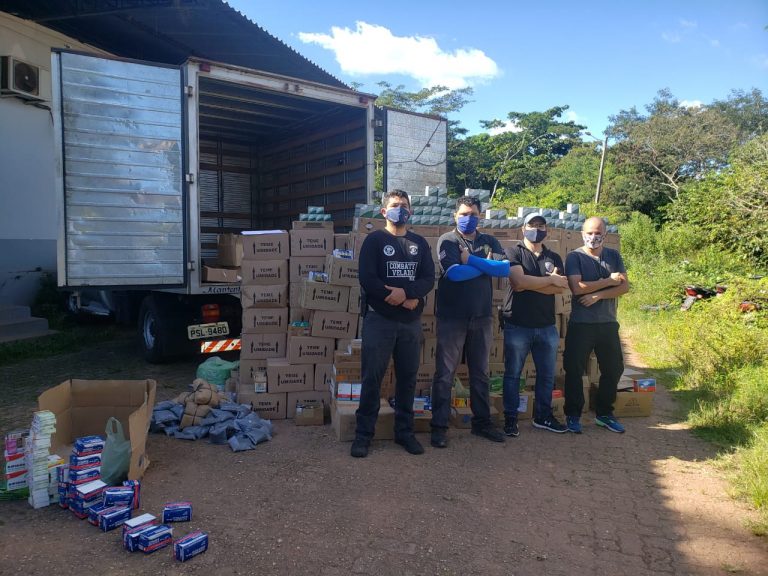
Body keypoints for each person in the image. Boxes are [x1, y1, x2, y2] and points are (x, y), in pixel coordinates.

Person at [352, 189, 436, 458]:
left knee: (408, 380)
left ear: (410, 211)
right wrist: (399, 297)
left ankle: (404, 433)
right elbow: (367, 277)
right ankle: (363, 435)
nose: (401, 209)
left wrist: (410, 295)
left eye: (404, 205)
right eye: (395, 205)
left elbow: (428, 278)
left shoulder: (419, 243)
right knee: (372, 379)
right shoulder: (374, 240)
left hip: (410, 323)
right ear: (384, 211)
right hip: (380, 320)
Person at [430, 196, 510, 448]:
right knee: (445, 374)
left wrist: (472, 260)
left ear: (480, 216)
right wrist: (486, 265)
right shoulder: (448, 240)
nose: (469, 218)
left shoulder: (489, 240)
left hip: (482, 316)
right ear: (455, 216)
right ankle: (439, 427)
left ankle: (482, 423)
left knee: (481, 373)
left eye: (474, 213)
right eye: (464, 213)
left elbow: (504, 269)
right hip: (452, 317)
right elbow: (454, 273)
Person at [501, 212, 569, 437]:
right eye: (532, 225)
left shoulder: (554, 257)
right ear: (523, 229)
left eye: (541, 225)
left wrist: (534, 283)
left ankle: (543, 416)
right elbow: (518, 282)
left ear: (546, 230)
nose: (536, 229)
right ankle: (510, 419)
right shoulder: (512, 252)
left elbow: (560, 289)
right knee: (513, 374)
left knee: (546, 375)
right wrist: (550, 280)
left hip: (546, 326)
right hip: (517, 324)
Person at [563, 216, 630, 434]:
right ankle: (573, 415)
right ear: (582, 234)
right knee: (574, 369)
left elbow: (624, 287)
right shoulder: (574, 257)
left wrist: (598, 295)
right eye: (590, 233)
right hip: (581, 324)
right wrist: (609, 281)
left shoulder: (613, 256)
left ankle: (604, 413)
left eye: (598, 233)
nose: (594, 237)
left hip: (608, 323)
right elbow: (578, 287)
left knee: (614, 368)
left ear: (605, 235)